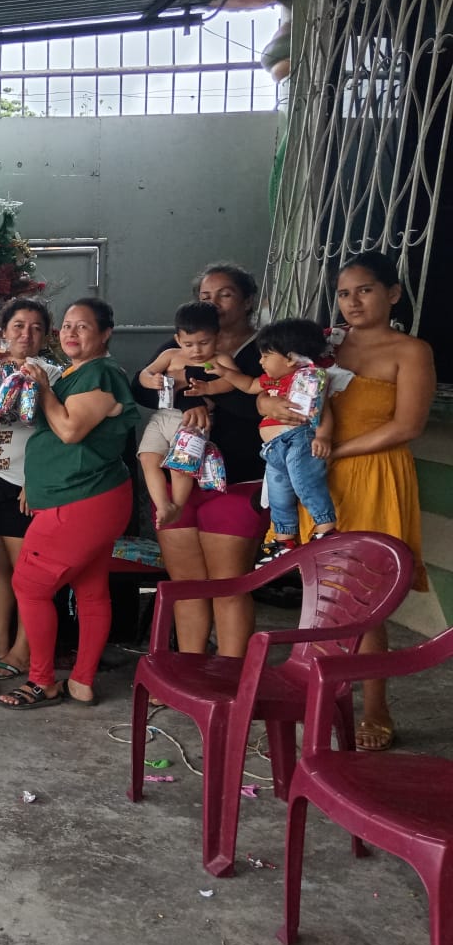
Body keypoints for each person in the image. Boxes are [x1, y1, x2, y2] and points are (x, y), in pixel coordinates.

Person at [284, 252, 433, 751]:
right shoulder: (323, 345)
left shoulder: (410, 351)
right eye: (344, 293)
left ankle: (375, 707)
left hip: (374, 474)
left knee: (364, 601)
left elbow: (408, 425)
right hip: (319, 479)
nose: (352, 302)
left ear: (393, 293)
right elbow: (277, 388)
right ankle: (320, 698)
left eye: (365, 290)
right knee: (324, 596)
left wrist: (338, 451)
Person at [0, 298, 137, 710]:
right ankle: (82, 681)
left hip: (82, 500)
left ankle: (42, 681)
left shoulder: (102, 374)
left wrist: (42, 387)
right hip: (85, 496)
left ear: (106, 333)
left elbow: (69, 429)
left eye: (84, 326)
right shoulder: (78, 372)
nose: (71, 333)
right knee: (91, 589)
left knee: (29, 585)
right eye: (68, 326)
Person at [131, 264, 270, 658]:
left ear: (247, 300)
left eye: (225, 294)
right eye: (206, 296)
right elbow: (141, 390)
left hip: (236, 482)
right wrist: (186, 398)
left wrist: (207, 396)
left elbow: (259, 406)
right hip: (180, 481)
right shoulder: (181, 344)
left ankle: (231, 676)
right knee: (187, 586)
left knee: (228, 586)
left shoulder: (263, 349)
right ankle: (190, 670)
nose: (215, 303)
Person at [0, 298, 60, 681]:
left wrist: (37, 480)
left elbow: (55, 432)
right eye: (18, 325)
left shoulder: (50, 373)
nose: (26, 334)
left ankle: (23, 650)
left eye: (36, 328)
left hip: (18, 482)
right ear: (3, 330)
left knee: (26, 575)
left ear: (46, 336)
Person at [207, 318, 338, 563]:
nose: (261, 361)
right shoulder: (271, 380)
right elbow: (248, 385)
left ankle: (326, 526)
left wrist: (323, 436)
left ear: (290, 358)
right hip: (272, 450)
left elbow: (323, 411)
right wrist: (225, 373)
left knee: (305, 483)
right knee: (279, 495)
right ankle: (283, 539)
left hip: (297, 441)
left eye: (266, 356)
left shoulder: (308, 380)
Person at [134, 301, 223, 530]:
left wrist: (209, 388)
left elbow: (232, 383)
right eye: (188, 344)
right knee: (148, 457)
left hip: (192, 421)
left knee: (180, 465)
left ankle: (178, 506)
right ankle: (163, 505)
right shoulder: (170, 354)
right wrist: (151, 381)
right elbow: (144, 373)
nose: (196, 351)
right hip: (163, 415)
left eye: (204, 343)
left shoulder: (220, 361)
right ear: (178, 339)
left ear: (217, 337)